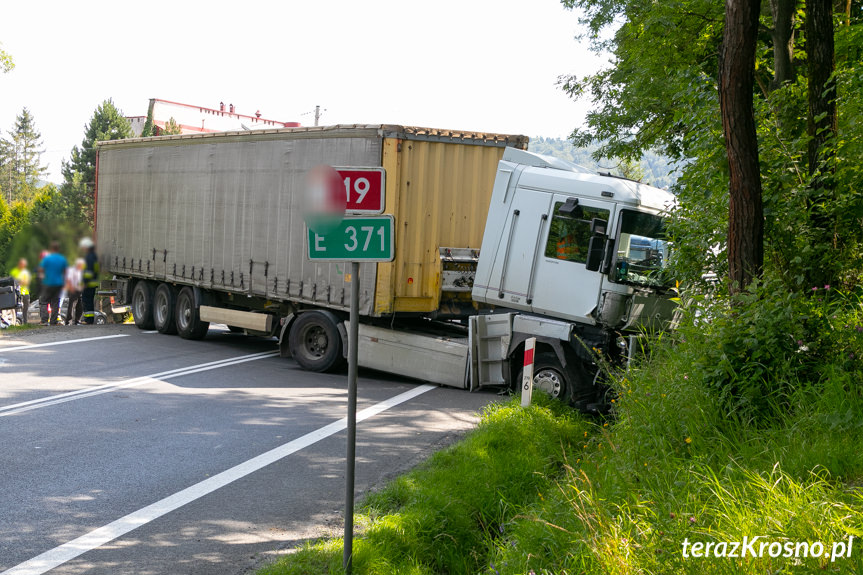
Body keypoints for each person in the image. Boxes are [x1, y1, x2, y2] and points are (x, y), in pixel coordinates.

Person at [39, 242, 68, 326]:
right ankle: (53, 321)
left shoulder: (47, 259)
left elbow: (41, 270)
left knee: (44, 301)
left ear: (51, 249)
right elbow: (65, 271)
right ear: (58, 249)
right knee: (55, 302)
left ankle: (44, 321)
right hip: (58, 283)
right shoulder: (62, 259)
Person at [79, 237, 100, 325]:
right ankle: (88, 319)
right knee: (89, 301)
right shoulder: (93, 256)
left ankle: (88, 320)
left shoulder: (90, 257)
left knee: (87, 301)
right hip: (92, 282)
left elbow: (88, 272)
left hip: (89, 283)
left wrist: (85, 283)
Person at [10, 258, 31, 325]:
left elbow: (27, 282)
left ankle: (25, 323)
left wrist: (21, 281)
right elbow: (12, 282)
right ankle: (15, 322)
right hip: (16, 293)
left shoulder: (26, 272)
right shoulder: (14, 272)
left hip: (25, 293)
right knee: (15, 308)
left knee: (25, 309)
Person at [65, 258, 85, 325]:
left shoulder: (80, 271)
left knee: (80, 306)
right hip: (73, 289)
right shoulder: (72, 270)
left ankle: (77, 320)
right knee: (72, 305)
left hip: (79, 290)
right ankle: (68, 321)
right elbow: (68, 280)